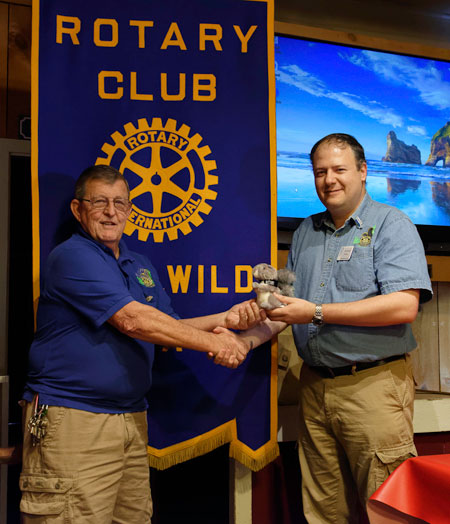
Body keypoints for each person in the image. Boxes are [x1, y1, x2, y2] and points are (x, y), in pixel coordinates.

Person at [19, 164, 263, 523]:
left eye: (120, 202)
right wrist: (220, 346)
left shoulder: (138, 264)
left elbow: (168, 328)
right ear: (77, 209)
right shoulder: (72, 256)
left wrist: (224, 320)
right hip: (74, 421)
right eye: (99, 202)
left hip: (130, 419)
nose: (111, 212)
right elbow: (133, 320)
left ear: (132, 210)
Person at [243, 133, 432, 523]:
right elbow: (285, 306)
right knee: (323, 511)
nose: (329, 180)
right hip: (314, 388)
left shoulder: (392, 224)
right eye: (320, 172)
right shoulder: (306, 232)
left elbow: (403, 305)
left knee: (388, 510)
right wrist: (244, 335)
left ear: (363, 172)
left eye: (339, 170)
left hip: (373, 389)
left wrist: (315, 312)